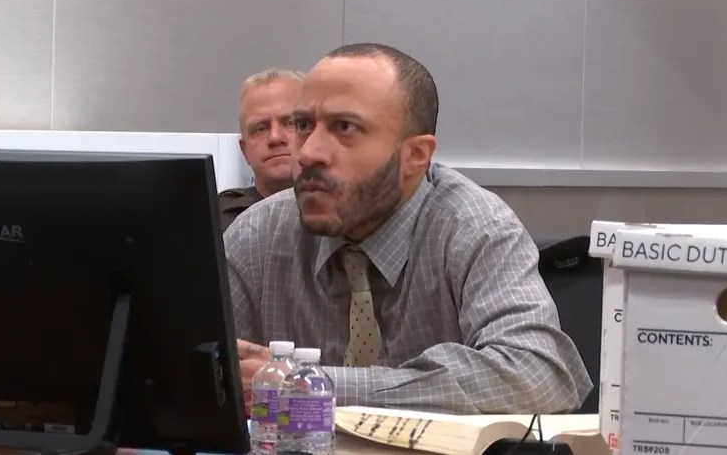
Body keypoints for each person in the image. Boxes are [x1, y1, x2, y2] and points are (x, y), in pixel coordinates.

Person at [225, 43, 592, 415]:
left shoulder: (473, 227)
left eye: (345, 127)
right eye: (303, 125)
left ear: (415, 155)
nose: (307, 153)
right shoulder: (258, 236)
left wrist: (313, 385)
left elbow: (537, 377)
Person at [218, 68, 305, 231]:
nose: (275, 138)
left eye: (290, 123)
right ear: (245, 151)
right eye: (261, 128)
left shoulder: (348, 217)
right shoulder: (213, 223)